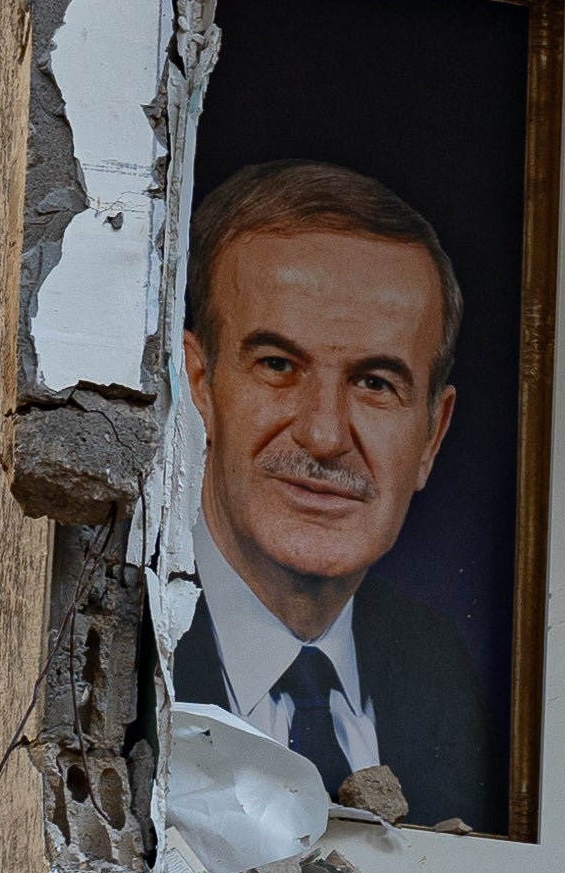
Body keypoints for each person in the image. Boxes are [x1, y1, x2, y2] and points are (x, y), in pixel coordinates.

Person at [172, 157, 501, 830]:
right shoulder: (120, 644)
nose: (323, 435)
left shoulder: (441, 673)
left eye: (375, 383)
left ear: (432, 436)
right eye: (277, 365)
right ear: (197, 385)